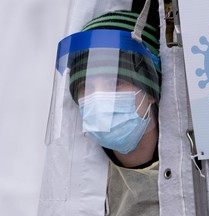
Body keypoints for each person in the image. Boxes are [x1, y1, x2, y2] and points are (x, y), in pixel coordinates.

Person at [58, 1, 161, 215]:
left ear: (151, 91)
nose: (99, 97)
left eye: (115, 83)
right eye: (86, 86)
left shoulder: (200, 174)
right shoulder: (84, 188)